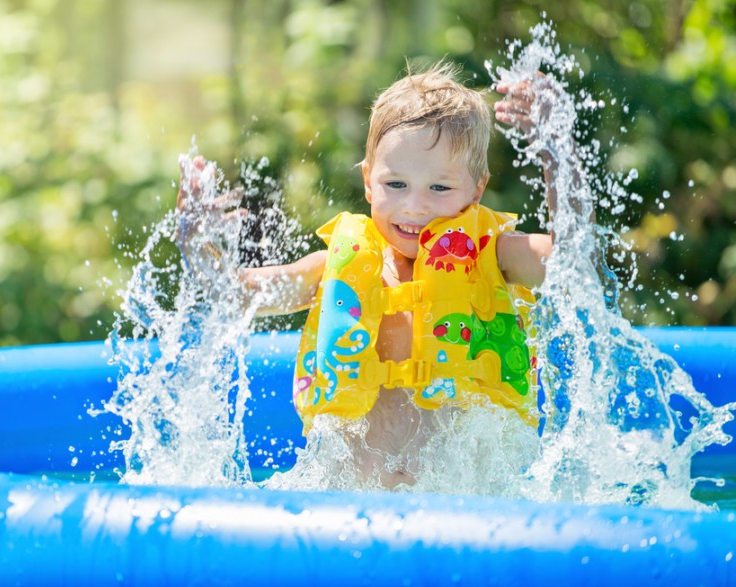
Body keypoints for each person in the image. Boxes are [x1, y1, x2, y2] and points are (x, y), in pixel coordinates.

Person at [177, 61, 558, 489]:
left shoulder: (495, 256)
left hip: (463, 516)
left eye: (439, 188)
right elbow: (234, 294)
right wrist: (197, 243)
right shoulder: (337, 268)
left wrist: (558, 159)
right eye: (396, 185)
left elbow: (573, 262)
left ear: (477, 189)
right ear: (368, 181)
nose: (414, 207)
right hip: (354, 515)